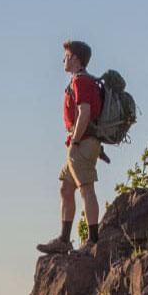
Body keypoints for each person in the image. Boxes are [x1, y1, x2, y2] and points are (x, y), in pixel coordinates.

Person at [37, 40, 105, 255]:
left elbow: (84, 112)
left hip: (82, 142)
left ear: (75, 58)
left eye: (66, 56)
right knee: (66, 188)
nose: (63, 60)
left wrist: (75, 141)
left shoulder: (82, 82)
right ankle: (64, 240)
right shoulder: (80, 81)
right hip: (80, 142)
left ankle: (93, 241)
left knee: (86, 188)